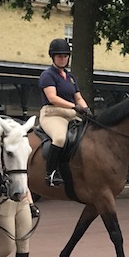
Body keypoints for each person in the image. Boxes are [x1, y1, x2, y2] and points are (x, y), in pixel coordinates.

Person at [38, 38, 92, 186]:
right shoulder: (47, 75)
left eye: (65, 56)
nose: (63, 59)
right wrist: (74, 106)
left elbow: (79, 97)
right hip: (53, 113)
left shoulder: (70, 77)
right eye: (59, 56)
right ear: (53, 57)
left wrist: (87, 109)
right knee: (60, 139)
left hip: (71, 115)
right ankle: (50, 174)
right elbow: (52, 97)